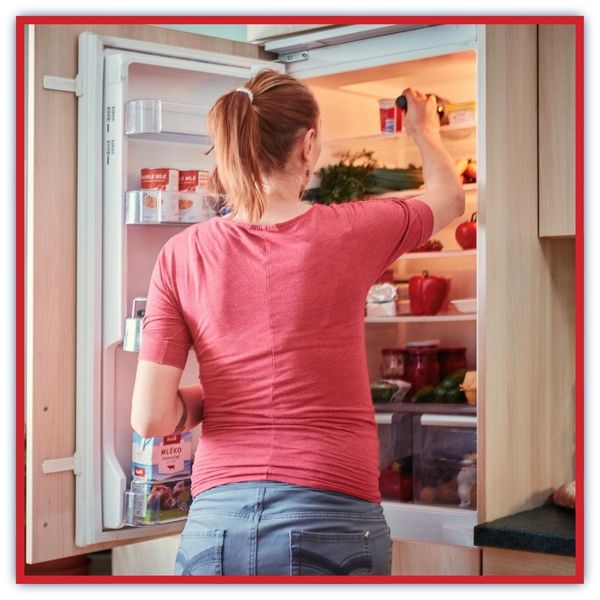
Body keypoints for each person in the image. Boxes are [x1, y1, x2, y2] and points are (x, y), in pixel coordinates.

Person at [130, 69, 465, 576]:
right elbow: (449, 199)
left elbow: (150, 418)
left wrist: (225, 391)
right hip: (331, 512)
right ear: (307, 146)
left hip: (215, 525)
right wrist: (424, 130)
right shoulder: (351, 230)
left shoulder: (180, 255)